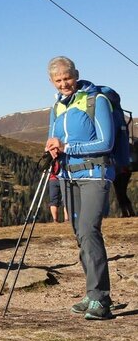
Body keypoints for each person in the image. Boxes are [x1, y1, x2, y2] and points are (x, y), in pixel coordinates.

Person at [44, 56, 115, 320]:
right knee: (80, 235)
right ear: (52, 81)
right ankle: (92, 293)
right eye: (58, 80)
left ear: (76, 74)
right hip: (67, 177)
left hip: (95, 175)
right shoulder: (56, 107)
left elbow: (106, 142)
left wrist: (68, 148)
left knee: (89, 231)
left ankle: (101, 299)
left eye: (67, 78)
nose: (64, 84)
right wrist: (52, 148)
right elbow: (55, 140)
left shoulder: (97, 101)